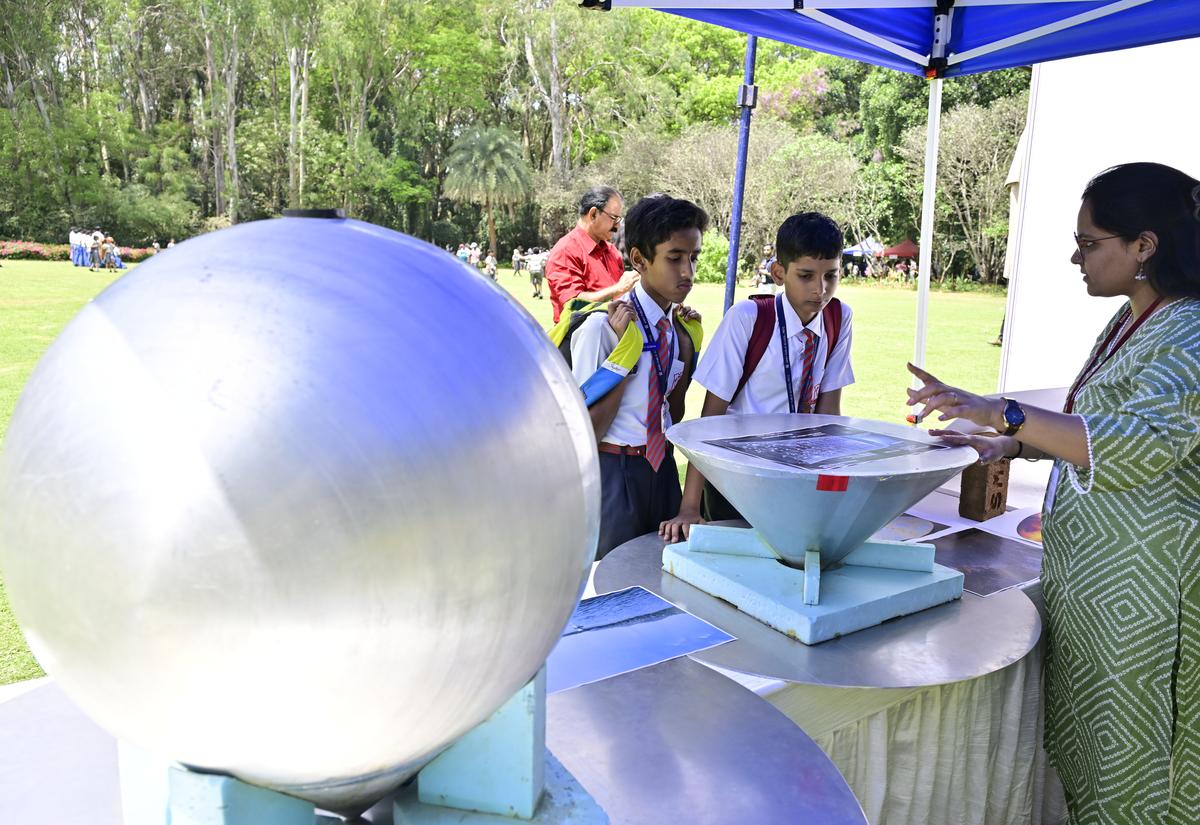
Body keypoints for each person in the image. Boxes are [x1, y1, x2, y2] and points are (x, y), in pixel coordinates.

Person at [906, 162, 1200, 823]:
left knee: (1140, 776)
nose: (1076, 256)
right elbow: (1090, 426)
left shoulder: (1191, 331)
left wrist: (1000, 411)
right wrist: (1007, 444)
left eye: (1090, 242)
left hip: (1148, 605)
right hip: (1100, 596)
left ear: (1145, 246)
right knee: (1092, 765)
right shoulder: (1136, 318)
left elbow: (1134, 442)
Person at [661, 212, 855, 542]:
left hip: (798, 478)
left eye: (831, 276)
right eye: (806, 276)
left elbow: (828, 414)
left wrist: (831, 492)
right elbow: (710, 420)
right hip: (738, 481)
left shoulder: (838, 318)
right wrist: (690, 506)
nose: (820, 290)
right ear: (779, 273)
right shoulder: (749, 319)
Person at [570, 195, 708, 559]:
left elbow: (671, 414)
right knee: (608, 586)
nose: (687, 272)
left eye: (693, 258)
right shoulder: (601, 328)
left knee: (664, 578)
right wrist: (624, 359)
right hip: (615, 472)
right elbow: (586, 432)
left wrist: (688, 348)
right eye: (674, 258)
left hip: (662, 471)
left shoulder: (677, 330)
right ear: (638, 260)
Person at [546, 185, 639, 323]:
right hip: (578, 339)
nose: (617, 226)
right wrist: (617, 289)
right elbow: (573, 303)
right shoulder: (566, 250)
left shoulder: (612, 251)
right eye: (614, 218)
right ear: (593, 214)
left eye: (619, 220)